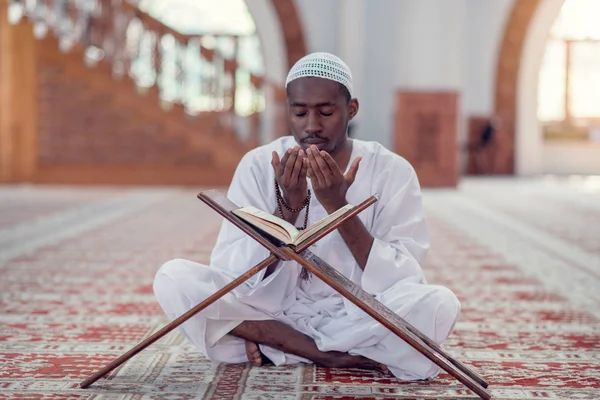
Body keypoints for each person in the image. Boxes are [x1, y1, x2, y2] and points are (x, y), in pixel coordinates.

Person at [153, 52, 460, 380]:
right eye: (300, 112)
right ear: (288, 112)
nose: (312, 125)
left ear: (351, 109)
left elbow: (402, 276)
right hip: (273, 311)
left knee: (439, 305)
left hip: (354, 315)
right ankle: (320, 352)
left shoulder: (391, 170)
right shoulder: (259, 165)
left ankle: (274, 347)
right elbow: (235, 272)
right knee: (172, 279)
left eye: (326, 112)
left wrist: (338, 207)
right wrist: (289, 207)